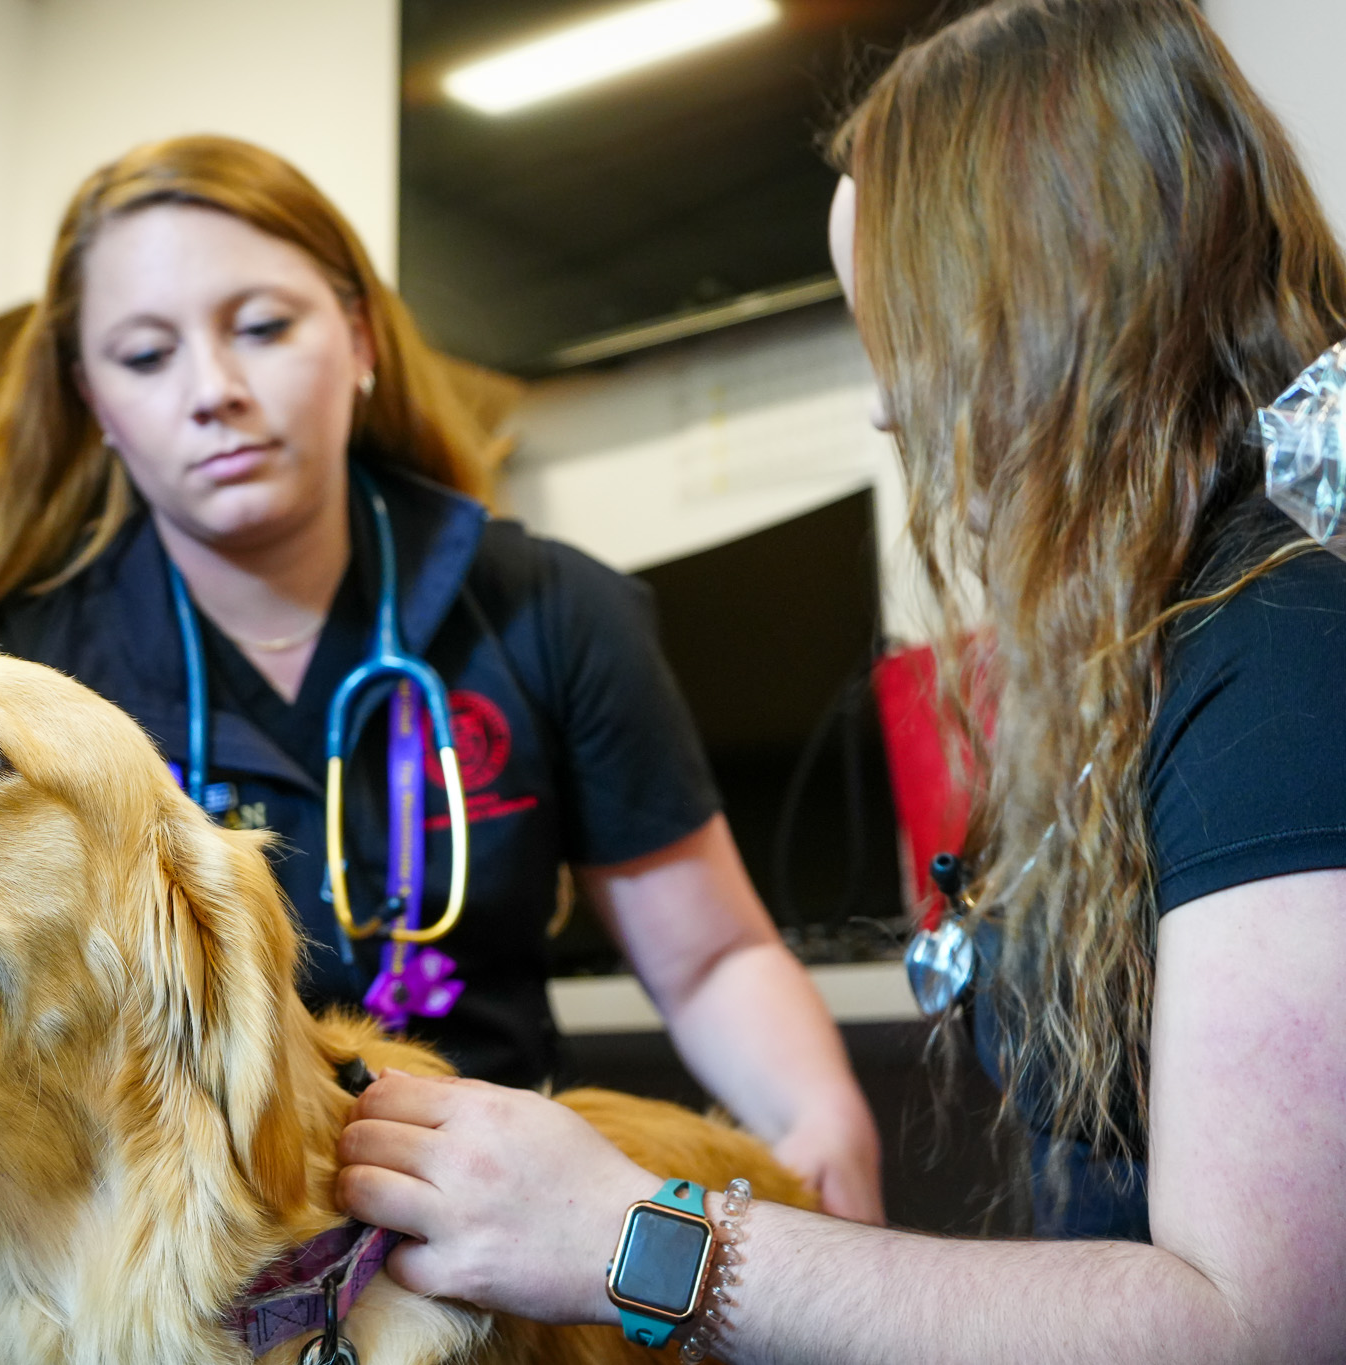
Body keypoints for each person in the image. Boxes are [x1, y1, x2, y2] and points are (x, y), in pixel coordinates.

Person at [335, 1, 1346, 1358]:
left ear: (1054, 295)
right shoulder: (1181, 629)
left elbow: (1257, 1327)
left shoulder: (1292, 647)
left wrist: (629, 1237)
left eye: (902, 334)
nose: (887, 407)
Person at [0, 134, 883, 1222]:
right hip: (181, 1237)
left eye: (264, 329)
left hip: (495, 1226)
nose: (213, 390)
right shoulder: (16, 682)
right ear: (93, 401)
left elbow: (708, 960)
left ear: (359, 338)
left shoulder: (554, 611)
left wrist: (818, 1114)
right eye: (144, 357)